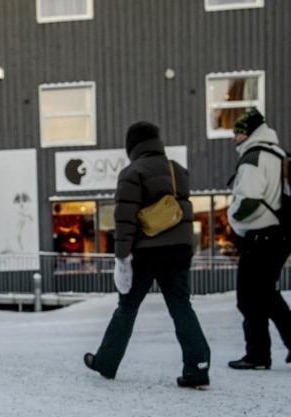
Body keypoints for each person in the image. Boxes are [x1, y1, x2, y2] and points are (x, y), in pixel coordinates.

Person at [84, 121, 211, 388]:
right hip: (179, 248)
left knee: (127, 307)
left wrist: (122, 258)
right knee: (181, 305)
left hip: (147, 250)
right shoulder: (178, 170)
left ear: (132, 145)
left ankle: (106, 362)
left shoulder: (133, 172)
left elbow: (125, 220)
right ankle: (198, 366)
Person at [225, 108, 291, 370]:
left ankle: (257, 355)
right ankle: (263, 352)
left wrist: (232, 219)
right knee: (266, 294)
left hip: (260, 235)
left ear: (250, 132)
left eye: (238, 132)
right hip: (280, 233)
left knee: (248, 296)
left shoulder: (253, 157)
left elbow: (249, 200)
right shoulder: (278, 154)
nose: (234, 138)